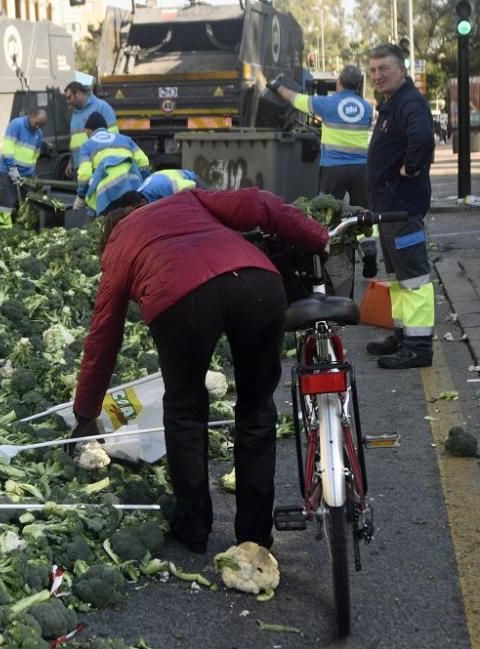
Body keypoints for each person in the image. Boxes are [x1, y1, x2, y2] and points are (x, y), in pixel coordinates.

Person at [69, 187, 329, 553]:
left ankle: (193, 528)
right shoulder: (185, 200)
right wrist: (317, 238)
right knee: (256, 410)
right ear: (140, 206)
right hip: (257, 282)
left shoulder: (117, 245)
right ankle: (255, 534)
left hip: (180, 299)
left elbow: (103, 336)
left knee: (185, 410)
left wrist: (86, 413)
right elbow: (256, 203)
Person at [364, 43, 436, 370]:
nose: (377, 75)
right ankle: (403, 336)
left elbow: (422, 138)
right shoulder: (393, 104)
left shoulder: (410, 103)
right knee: (399, 279)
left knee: (414, 280)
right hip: (390, 212)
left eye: (384, 68)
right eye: (374, 69)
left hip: (403, 211)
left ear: (402, 70)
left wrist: (410, 168)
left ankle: (418, 348)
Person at [269, 66, 378, 275]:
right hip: (360, 168)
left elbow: (296, 99)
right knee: (364, 211)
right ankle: (369, 249)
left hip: (332, 169)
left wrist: (276, 86)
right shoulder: (366, 108)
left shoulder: (327, 104)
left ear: (339, 82)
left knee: (325, 212)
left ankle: (324, 257)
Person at [75, 112, 150, 216]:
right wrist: (144, 184)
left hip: (107, 194)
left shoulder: (87, 145)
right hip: (132, 186)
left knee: (110, 227)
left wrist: (81, 196)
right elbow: (143, 161)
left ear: (89, 130)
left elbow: (84, 175)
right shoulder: (125, 139)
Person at [0, 109, 48, 223]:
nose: (37, 126)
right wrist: (13, 170)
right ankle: (3, 228)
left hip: (27, 174)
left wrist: (32, 171)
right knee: (7, 202)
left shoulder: (38, 133)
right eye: (36, 123)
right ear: (31, 115)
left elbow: (35, 154)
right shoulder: (16, 125)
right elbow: (8, 149)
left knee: (28, 203)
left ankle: (25, 229)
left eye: (41, 125)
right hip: (8, 171)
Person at [65, 81, 118, 178]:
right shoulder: (75, 113)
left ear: (78, 93)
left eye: (69, 98)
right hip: (79, 167)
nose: (68, 101)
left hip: (96, 167)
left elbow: (113, 137)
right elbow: (75, 142)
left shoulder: (102, 107)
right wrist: (71, 162)